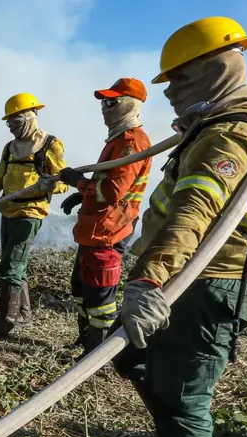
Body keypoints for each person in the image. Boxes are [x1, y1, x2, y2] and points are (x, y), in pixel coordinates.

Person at [114, 16, 247, 437]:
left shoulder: (228, 132)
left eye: (179, 78)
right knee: (135, 360)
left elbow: (193, 211)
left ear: (214, 67)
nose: (168, 91)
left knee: (185, 391)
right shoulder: (216, 123)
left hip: (208, 283)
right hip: (189, 278)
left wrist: (148, 278)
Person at [57, 78, 152, 358]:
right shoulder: (117, 139)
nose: (104, 108)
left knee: (99, 297)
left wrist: (78, 183)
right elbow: (108, 183)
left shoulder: (130, 142)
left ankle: (92, 357)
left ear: (128, 105)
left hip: (109, 232)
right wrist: (83, 195)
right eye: (102, 102)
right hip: (96, 228)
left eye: (111, 102)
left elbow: (112, 192)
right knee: (81, 287)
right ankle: (84, 342)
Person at [0, 92, 69, 337]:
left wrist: (51, 185)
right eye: (9, 124)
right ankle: (23, 314)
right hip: (8, 211)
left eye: (16, 124)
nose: (11, 129)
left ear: (30, 117)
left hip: (30, 213)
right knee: (15, 263)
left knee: (11, 266)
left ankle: (4, 323)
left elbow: (64, 181)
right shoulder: (10, 148)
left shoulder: (49, 145)